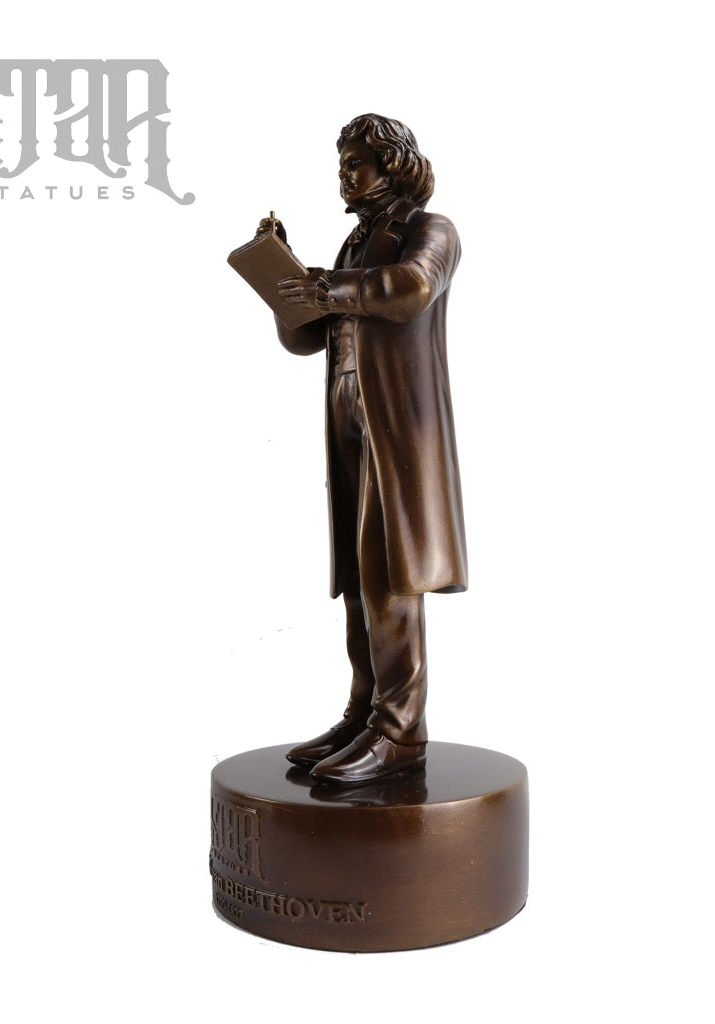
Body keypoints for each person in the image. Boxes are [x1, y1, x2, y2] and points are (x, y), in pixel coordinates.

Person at [262, 114, 467, 784]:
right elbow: (306, 338)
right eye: (343, 163)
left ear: (393, 163)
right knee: (356, 572)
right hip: (346, 413)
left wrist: (327, 285)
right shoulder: (354, 244)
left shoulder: (429, 231)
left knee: (390, 573)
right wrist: (285, 283)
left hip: (397, 423)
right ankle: (364, 712)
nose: (345, 175)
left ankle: (400, 730)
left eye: (356, 162)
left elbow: (411, 288)